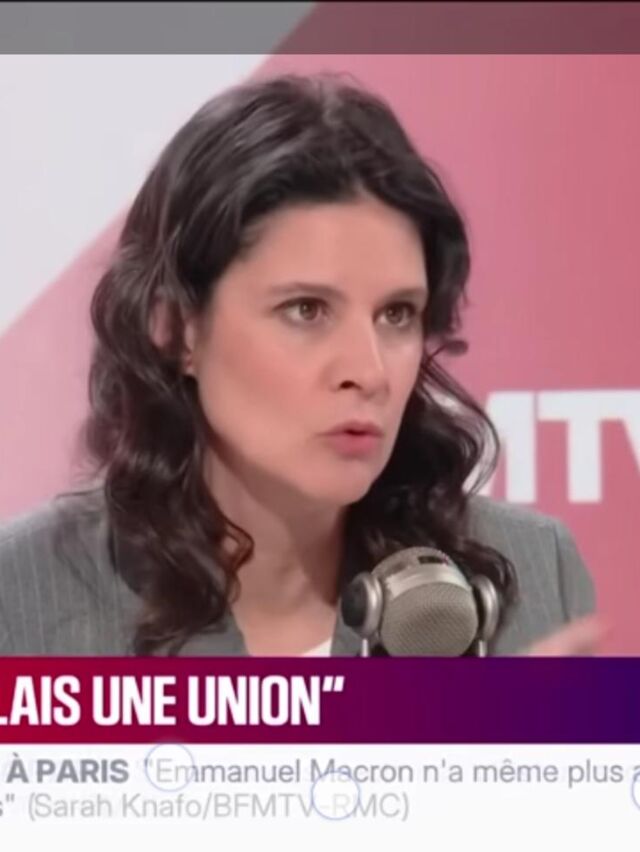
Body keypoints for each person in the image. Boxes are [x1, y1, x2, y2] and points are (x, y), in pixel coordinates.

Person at [0, 72, 602, 657]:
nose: (369, 372)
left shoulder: (533, 577)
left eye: (396, 314)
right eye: (306, 310)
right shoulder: (21, 599)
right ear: (177, 327)